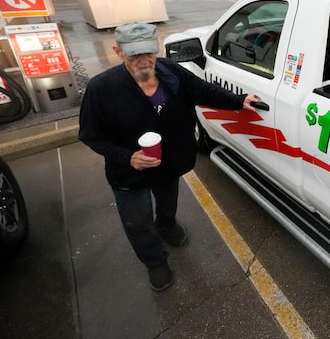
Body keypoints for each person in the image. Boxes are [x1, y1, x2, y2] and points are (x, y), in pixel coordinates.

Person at [78, 22, 261, 292]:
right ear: (118, 52)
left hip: (168, 162)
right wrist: (128, 157)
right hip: (129, 171)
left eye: (148, 53)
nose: (143, 60)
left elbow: (203, 90)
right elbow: (91, 135)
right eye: (134, 55)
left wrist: (238, 101)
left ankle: (166, 226)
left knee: (168, 199)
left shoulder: (171, 72)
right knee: (137, 220)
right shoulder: (101, 89)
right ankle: (154, 260)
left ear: (157, 49)